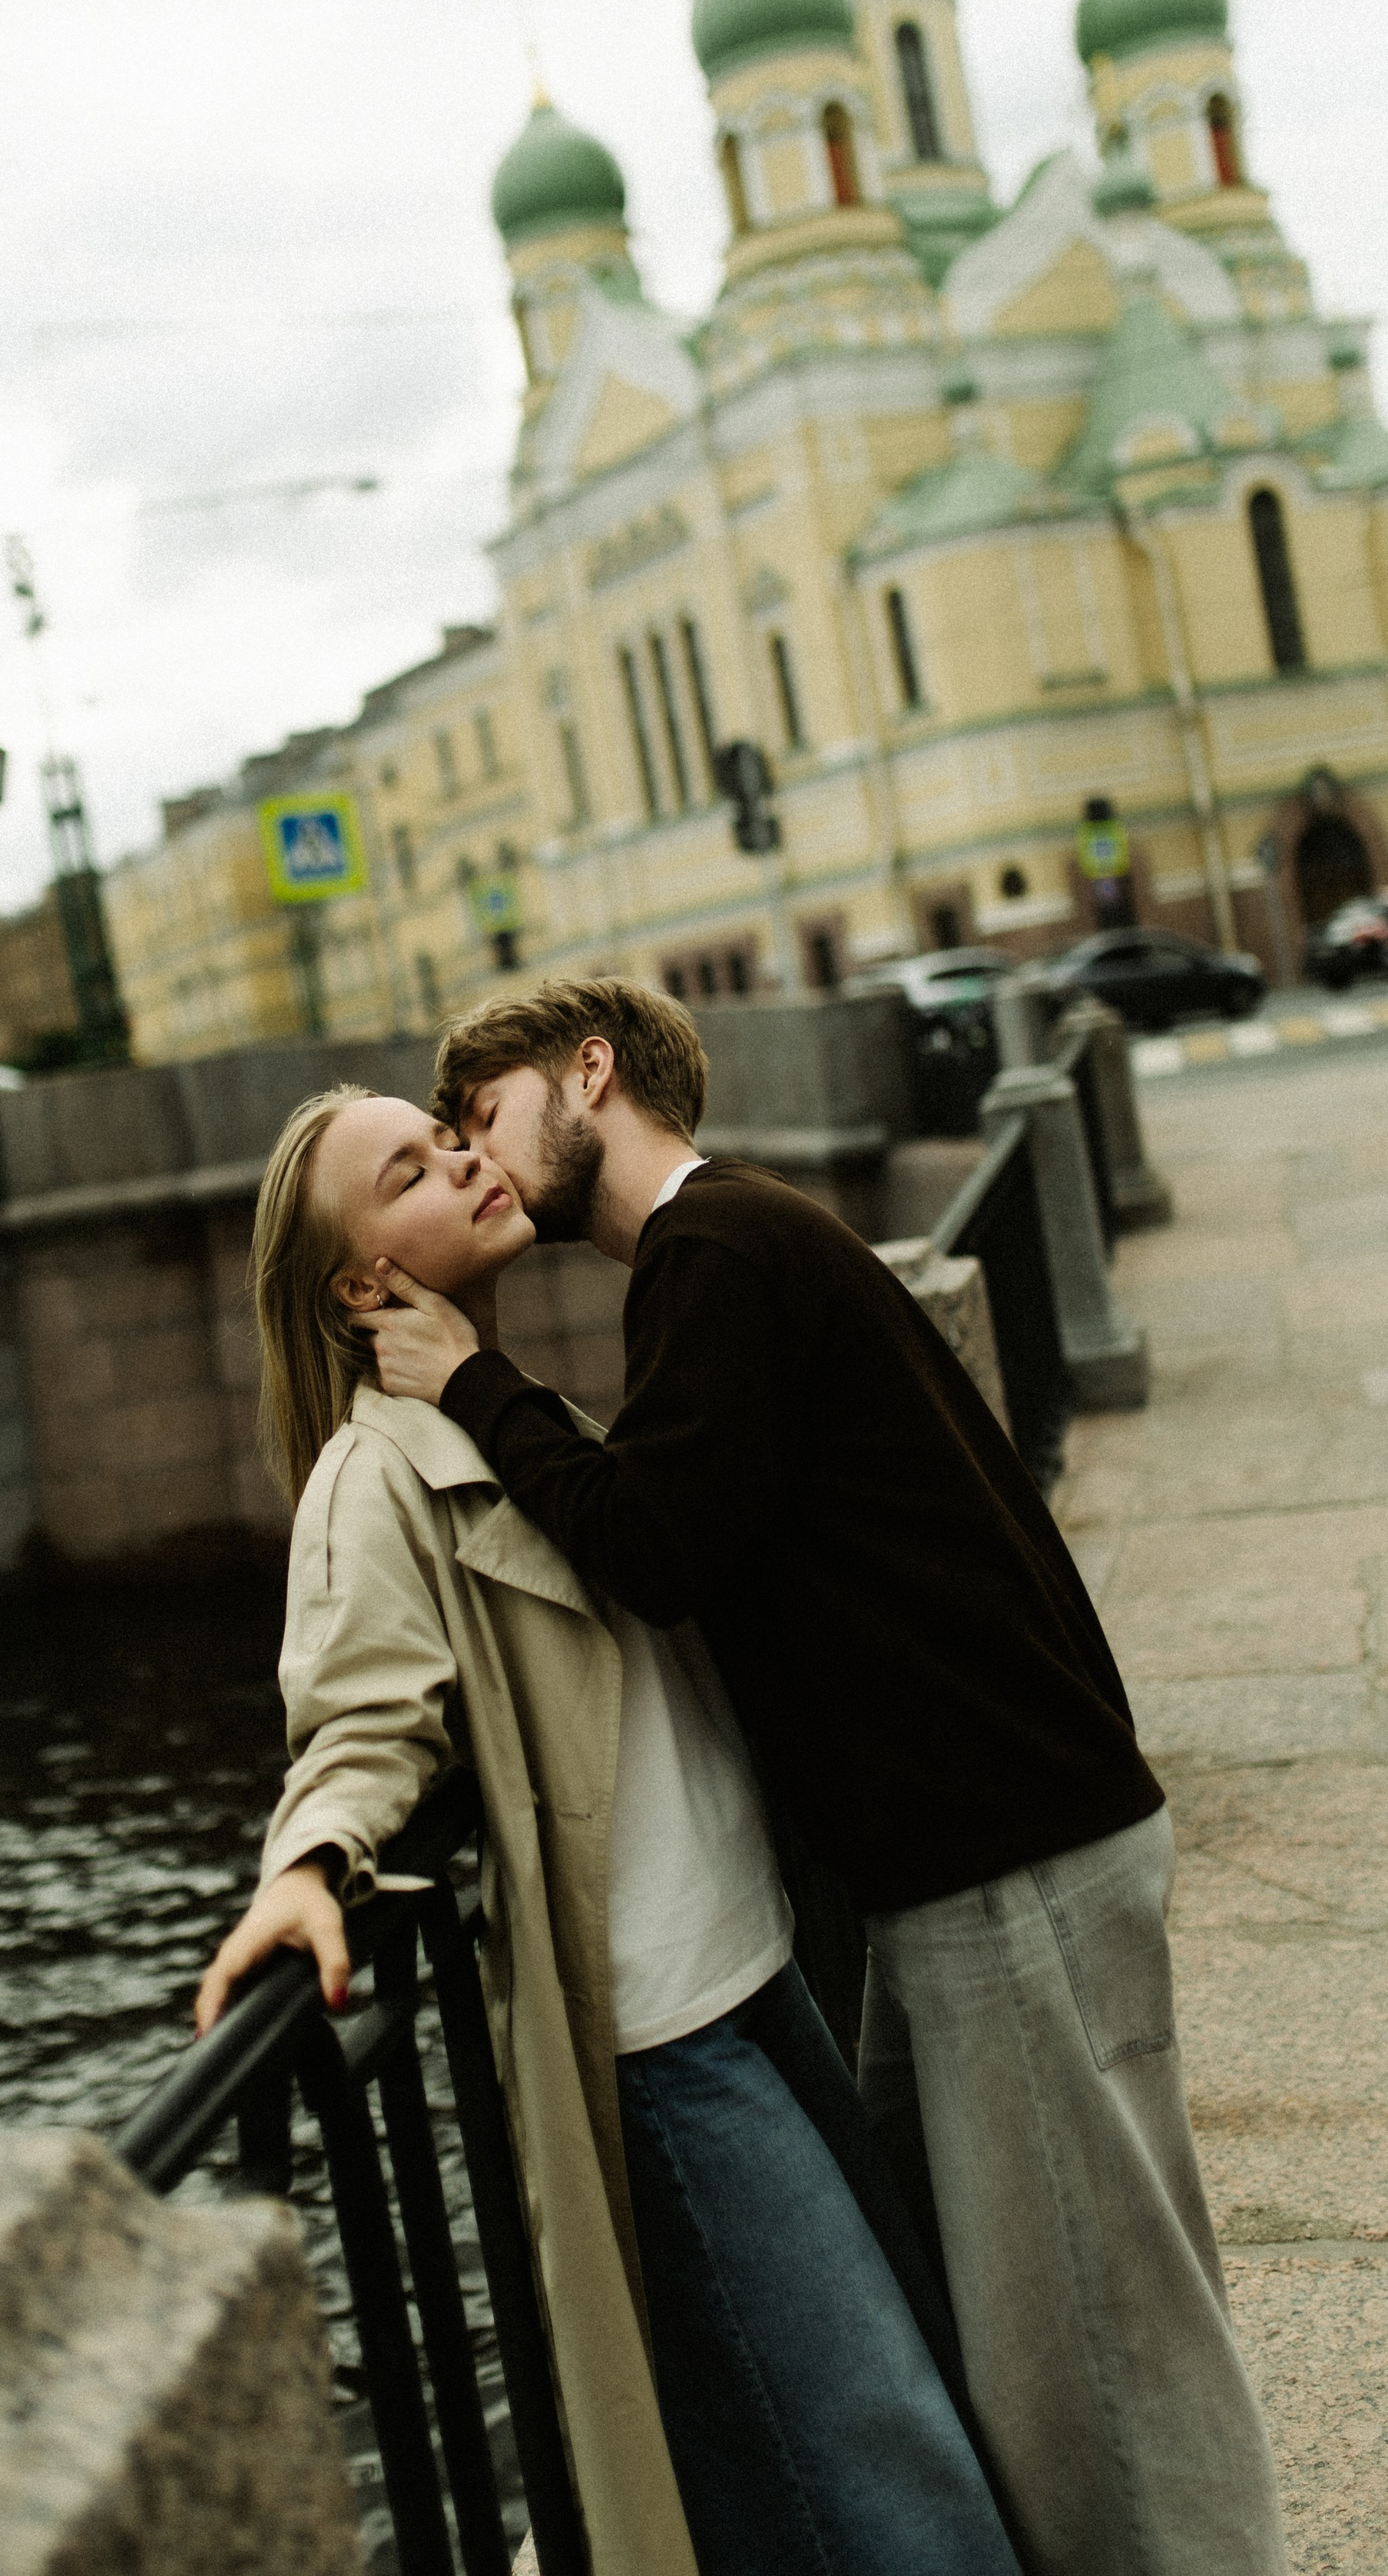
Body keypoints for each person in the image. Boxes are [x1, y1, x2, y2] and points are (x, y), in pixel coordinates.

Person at [355, 978, 1288, 2576]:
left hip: (999, 1851)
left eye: (486, 1116)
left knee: (1100, 2352)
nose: (479, 1160)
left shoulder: (714, 1253)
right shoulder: (742, 1242)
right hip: (993, 1840)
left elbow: (655, 1543)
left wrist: (468, 1384)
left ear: (591, 1073)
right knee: (1039, 2319)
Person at [197, 1084, 1023, 2576]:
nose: (463, 1159)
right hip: (659, 2040)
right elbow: (360, 1717)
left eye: (448, 1138)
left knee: (832, 2440)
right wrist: (309, 1869)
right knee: (896, 2470)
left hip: (753, 1973)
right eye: (410, 1171)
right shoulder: (368, 1481)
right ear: (359, 1284)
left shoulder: (501, 1408)